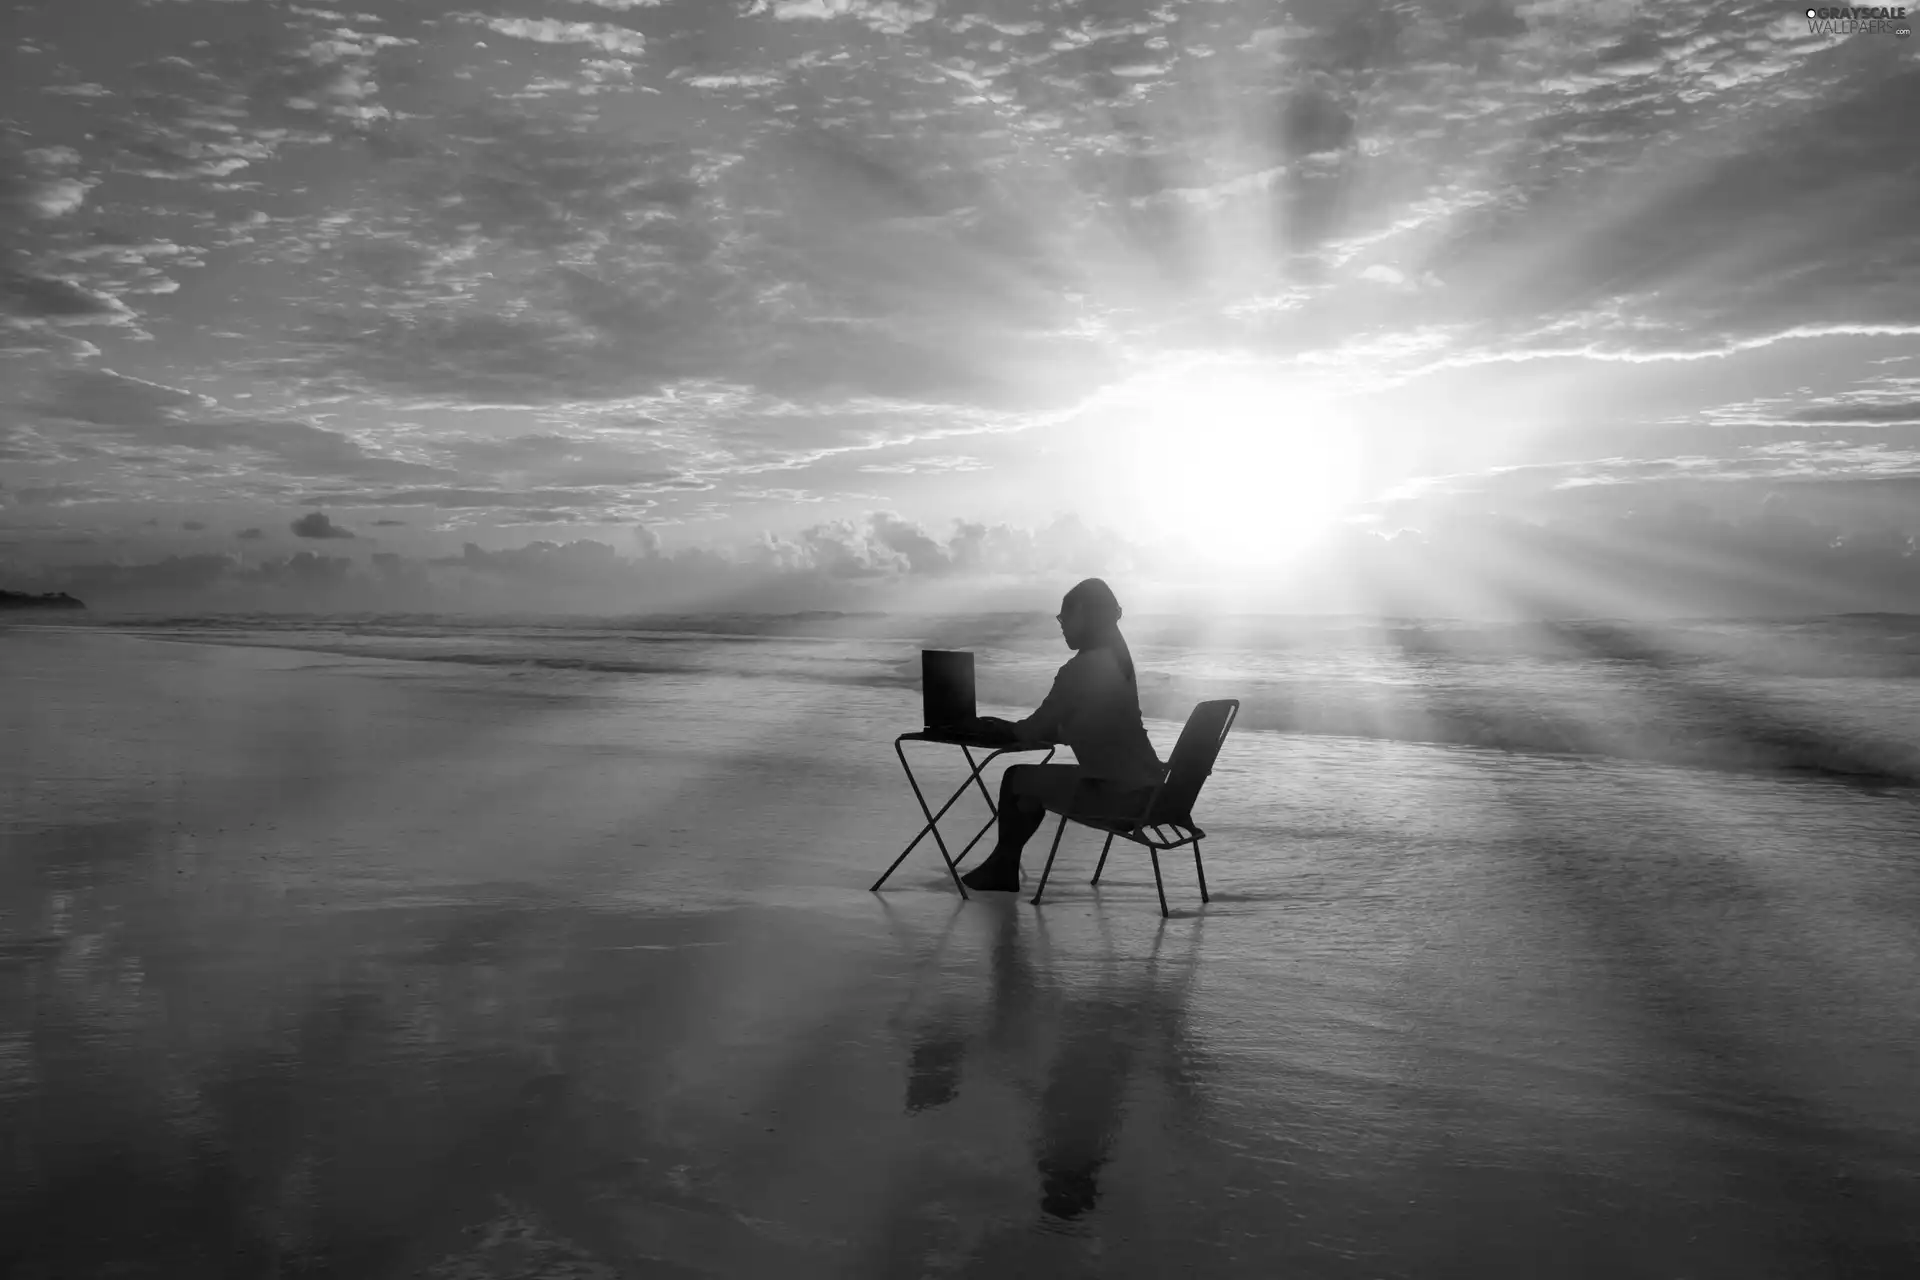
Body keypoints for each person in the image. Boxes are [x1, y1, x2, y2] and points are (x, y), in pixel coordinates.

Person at [959, 578, 1163, 893]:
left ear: (1085, 615)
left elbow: (1032, 730)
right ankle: (1003, 864)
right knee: (1028, 783)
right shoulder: (1118, 662)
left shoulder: (1082, 669)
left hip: (1120, 798)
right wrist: (1057, 730)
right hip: (1152, 791)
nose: (1062, 625)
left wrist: (992, 727)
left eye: (1065, 617)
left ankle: (1003, 866)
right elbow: (1096, 724)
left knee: (1016, 780)